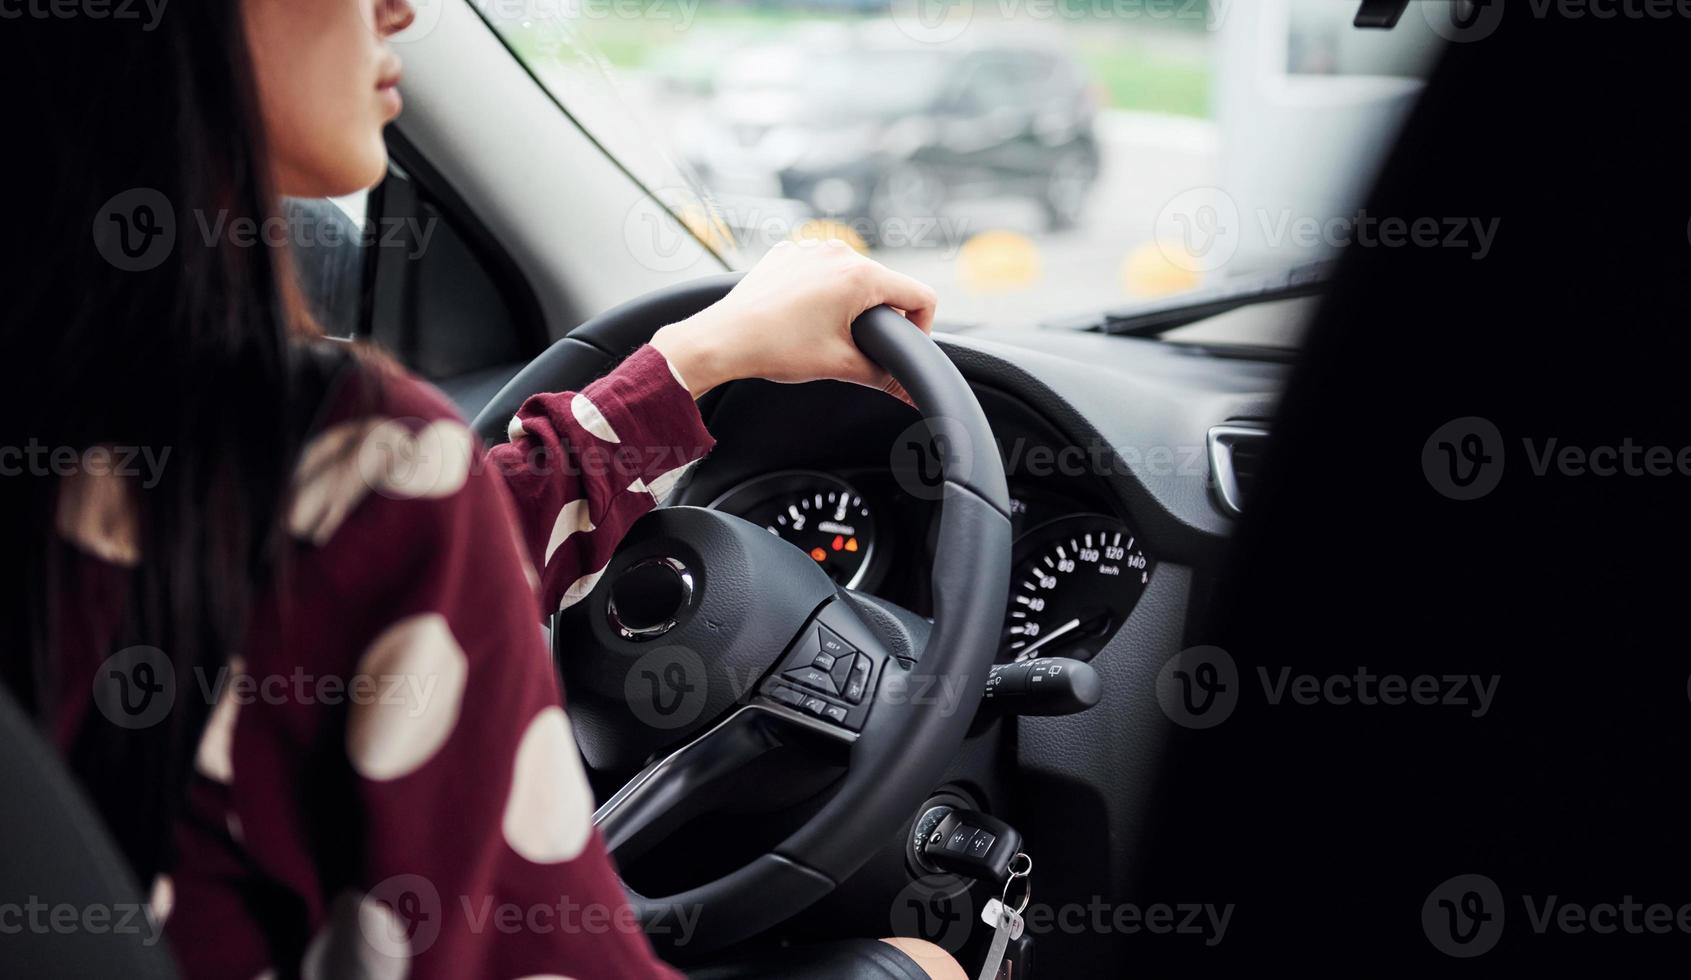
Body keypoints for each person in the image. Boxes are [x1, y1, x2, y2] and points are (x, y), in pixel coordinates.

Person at [0, 1, 964, 977]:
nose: (397, 7)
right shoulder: (338, 460)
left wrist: (694, 359)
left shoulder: (128, 460)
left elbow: (327, 580)